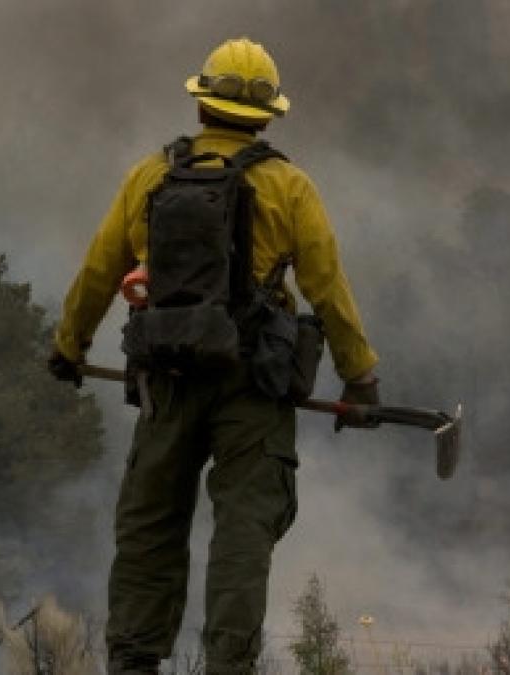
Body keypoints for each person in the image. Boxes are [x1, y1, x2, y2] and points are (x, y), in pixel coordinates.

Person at [46, 37, 380, 675]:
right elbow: (328, 291)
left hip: (167, 376)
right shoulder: (288, 186)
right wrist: (360, 378)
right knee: (243, 534)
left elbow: (97, 270)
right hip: (254, 385)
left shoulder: (150, 176)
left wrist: (70, 347)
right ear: (266, 115)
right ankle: (229, 665)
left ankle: (134, 662)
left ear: (201, 104)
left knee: (149, 527)